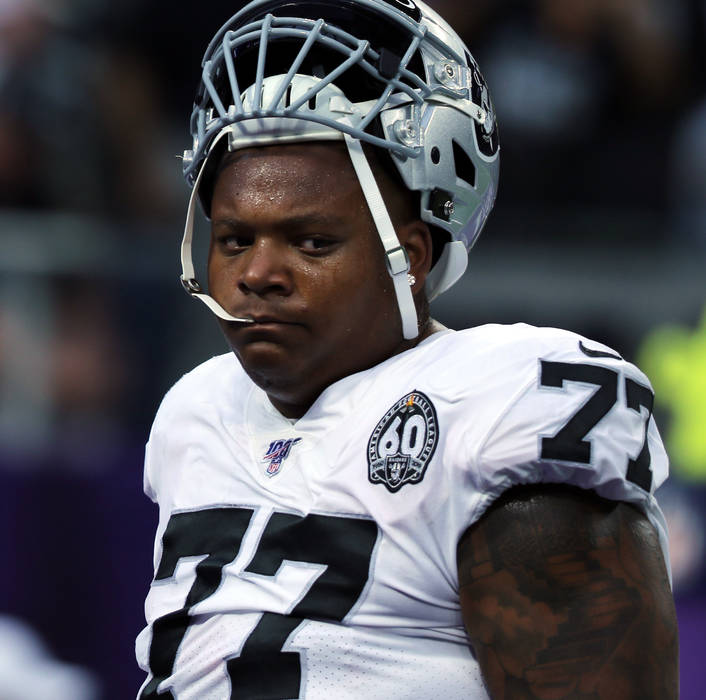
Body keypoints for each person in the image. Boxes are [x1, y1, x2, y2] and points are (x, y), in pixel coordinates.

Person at [135, 1, 678, 698]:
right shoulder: (196, 410)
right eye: (236, 239)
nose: (257, 274)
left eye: (311, 242)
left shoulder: (494, 406)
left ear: (412, 256)